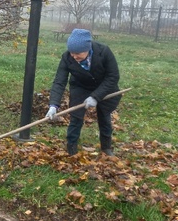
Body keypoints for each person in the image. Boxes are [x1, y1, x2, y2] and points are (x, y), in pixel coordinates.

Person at [45, 28, 121, 156]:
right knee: (76, 116)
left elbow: (113, 76)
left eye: (77, 53)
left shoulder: (104, 52)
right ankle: (71, 146)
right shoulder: (67, 57)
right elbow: (59, 81)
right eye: (71, 52)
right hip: (80, 86)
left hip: (104, 86)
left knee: (104, 116)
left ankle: (106, 147)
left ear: (87, 48)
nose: (74, 56)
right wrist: (53, 105)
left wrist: (96, 97)